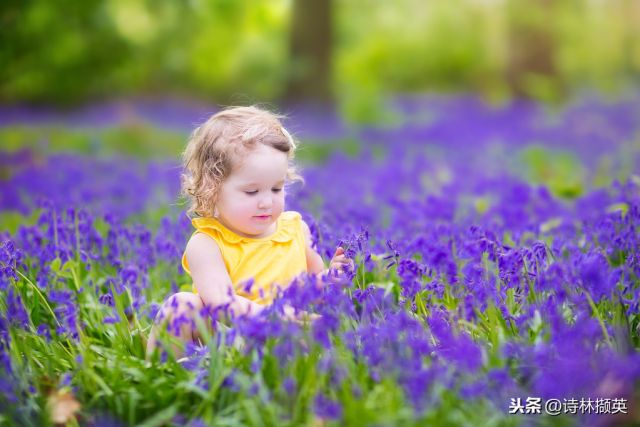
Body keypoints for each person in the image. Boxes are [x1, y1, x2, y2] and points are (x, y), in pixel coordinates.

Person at [146, 106, 352, 360]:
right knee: (180, 306)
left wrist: (331, 279)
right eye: (252, 192)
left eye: (276, 189)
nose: (266, 202)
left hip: (285, 340)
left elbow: (314, 290)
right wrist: (277, 317)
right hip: (229, 342)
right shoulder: (207, 243)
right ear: (213, 189)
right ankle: (166, 378)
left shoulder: (296, 230)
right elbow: (221, 305)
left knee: (322, 338)